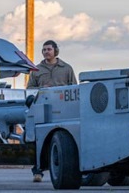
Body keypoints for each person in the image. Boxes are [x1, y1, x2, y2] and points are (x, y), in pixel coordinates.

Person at [26, 40, 77, 182]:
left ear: (56, 51)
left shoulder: (67, 68)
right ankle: (37, 171)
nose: (46, 52)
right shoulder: (37, 70)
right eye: (44, 50)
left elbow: (74, 88)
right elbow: (29, 90)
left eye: (49, 49)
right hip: (42, 109)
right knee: (37, 139)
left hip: (64, 110)